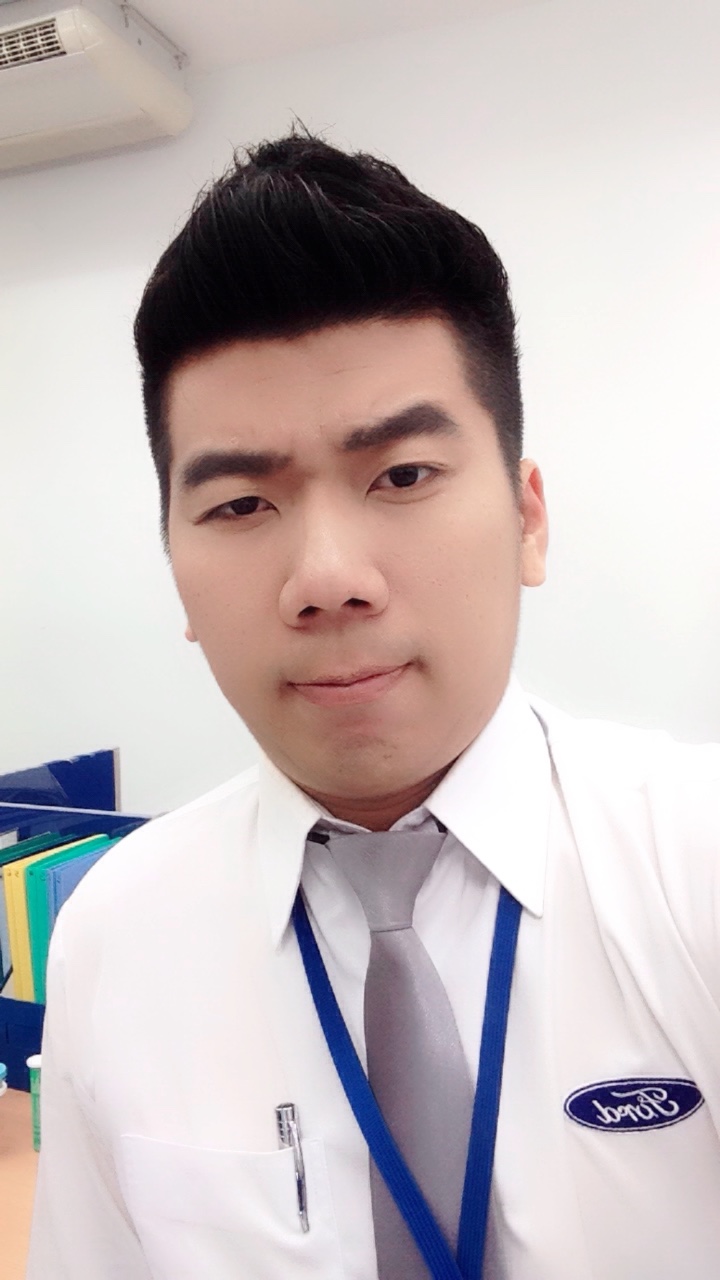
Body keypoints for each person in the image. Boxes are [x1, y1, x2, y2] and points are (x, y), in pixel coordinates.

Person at [27, 132, 720, 1280]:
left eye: (401, 475)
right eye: (240, 503)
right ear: (175, 573)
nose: (326, 576)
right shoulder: (115, 932)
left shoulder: (693, 861)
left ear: (528, 517)